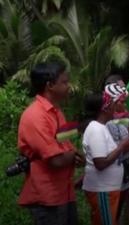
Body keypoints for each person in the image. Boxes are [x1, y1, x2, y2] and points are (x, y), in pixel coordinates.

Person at [17, 63, 84, 225]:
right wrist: (74, 155)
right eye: (65, 82)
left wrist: (73, 155)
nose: (69, 86)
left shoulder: (57, 111)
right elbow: (56, 160)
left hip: (64, 191)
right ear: (50, 86)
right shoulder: (35, 116)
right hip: (48, 196)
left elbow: (66, 146)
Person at [82, 89, 129, 225]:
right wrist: (121, 147)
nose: (116, 107)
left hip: (108, 189)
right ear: (105, 108)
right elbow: (100, 163)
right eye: (113, 104)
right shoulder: (96, 129)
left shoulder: (101, 127)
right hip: (103, 190)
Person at [103, 82, 129, 225]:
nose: (125, 105)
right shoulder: (106, 121)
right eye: (122, 102)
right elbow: (118, 147)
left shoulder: (124, 114)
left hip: (128, 161)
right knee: (118, 198)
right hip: (116, 164)